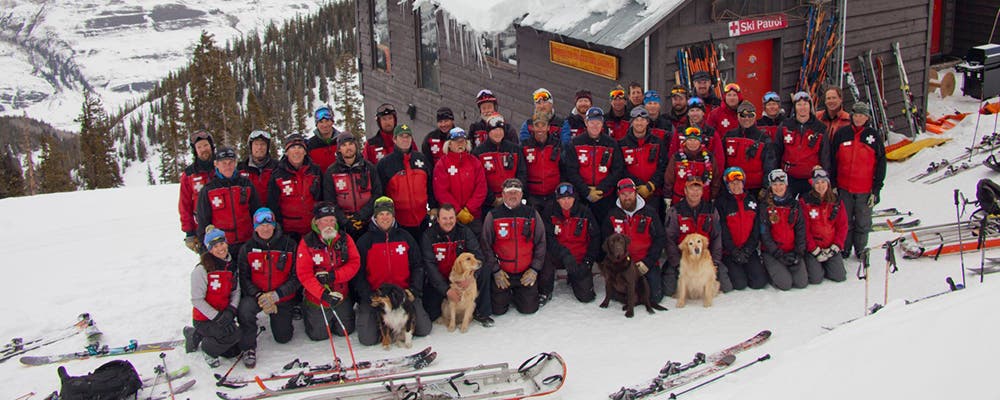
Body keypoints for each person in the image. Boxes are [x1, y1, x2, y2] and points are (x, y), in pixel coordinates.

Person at [353, 197, 433, 346]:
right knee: (367, 339)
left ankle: (398, 325)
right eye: (381, 214)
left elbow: (417, 265)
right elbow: (358, 273)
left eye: (388, 214)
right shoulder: (365, 241)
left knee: (424, 329)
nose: (385, 217)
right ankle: (379, 323)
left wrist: (414, 290)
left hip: (403, 294)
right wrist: (367, 295)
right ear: (375, 216)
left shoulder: (405, 237)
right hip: (377, 295)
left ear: (393, 216)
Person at [235, 208, 300, 368]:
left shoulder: (289, 245)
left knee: (283, 337)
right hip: (257, 296)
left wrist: (276, 295)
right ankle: (248, 347)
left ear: (274, 225)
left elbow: (296, 277)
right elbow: (244, 278)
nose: (265, 228)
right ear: (255, 227)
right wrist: (260, 296)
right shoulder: (247, 248)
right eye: (261, 225)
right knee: (244, 310)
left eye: (268, 224)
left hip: (280, 296)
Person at [420, 204, 494, 327]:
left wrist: (471, 277)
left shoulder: (464, 232)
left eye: (451, 218)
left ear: (455, 218)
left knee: (485, 270)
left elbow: (478, 255)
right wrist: (446, 290)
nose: (448, 222)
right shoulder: (428, 236)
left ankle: (482, 312)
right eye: (444, 218)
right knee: (432, 314)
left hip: (462, 277)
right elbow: (430, 266)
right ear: (438, 219)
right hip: (440, 279)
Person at [296, 202, 360, 341]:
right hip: (318, 298)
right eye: (325, 221)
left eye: (332, 220)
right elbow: (304, 274)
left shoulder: (344, 239)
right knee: (319, 336)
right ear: (317, 222)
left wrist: (333, 276)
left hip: (341, 294)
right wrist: (323, 294)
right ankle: (308, 310)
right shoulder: (307, 242)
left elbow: (354, 263)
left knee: (346, 331)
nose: (329, 224)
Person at [829, 102, 886, 259]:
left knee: (863, 221)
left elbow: (881, 163)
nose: (859, 118)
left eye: (862, 115)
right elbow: (833, 161)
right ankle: (844, 248)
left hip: (865, 189)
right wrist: (833, 184)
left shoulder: (873, 136)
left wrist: (876, 190)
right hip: (844, 187)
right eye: (856, 115)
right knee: (845, 220)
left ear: (867, 117)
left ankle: (860, 248)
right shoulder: (842, 134)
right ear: (851, 116)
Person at [482, 179, 548, 315]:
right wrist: (496, 271)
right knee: (498, 310)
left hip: (525, 272)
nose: (513, 195)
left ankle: (520, 293)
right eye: (509, 192)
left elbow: (541, 242)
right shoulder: (493, 216)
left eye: (516, 193)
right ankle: (506, 293)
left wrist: (534, 269)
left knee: (529, 309)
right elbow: (485, 245)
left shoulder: (532, 214)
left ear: (522, 194)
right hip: (503, 273)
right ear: (503, 195)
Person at [663, 176, 733, 297]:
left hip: (705, 259)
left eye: (698, 189)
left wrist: (715, 262)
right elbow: (669, 239)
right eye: (691, 189)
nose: (695, 192)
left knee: (727, 287)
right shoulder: (675, 211)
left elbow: (716, 237)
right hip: (683, 258)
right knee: (669, 290)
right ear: (685, 191)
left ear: (702, 191)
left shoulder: (711, 210)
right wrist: (677, 264)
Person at [183, 226, 240, 367]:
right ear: (209, 249)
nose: (220, 248)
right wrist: (216, 316)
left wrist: (231, 310)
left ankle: (196, 335)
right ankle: (207, 349)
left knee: (234, 350)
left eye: (222, 243)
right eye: (215, 246)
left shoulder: (231, 266)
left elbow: (236, 291)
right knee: (231, 335)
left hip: (223, 315)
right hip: (205, 319)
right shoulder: (201, 270)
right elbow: (197, 300)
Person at [605, 178, 667, 303]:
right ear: (619, 195)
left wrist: (647, 262)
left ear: (635, 193)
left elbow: (660, 239)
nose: (627, 198)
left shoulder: (650, 213)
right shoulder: (612, 215)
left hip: (644, 263)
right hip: (622, 264)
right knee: (622, 297)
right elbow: (607, 241)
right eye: (623, 194)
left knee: (655, 298)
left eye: (630, 194)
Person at [196, 146, 261, 257]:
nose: (228, 166)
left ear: (235, 163)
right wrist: (205, 248)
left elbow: (256, 212)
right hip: (222, 246)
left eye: (230, 162)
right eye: (223, 163)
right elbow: (203, 222)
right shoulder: (208, 190)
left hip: (247, 242)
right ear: (216, 164)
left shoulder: (246, 184)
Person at [562, 107, 624, 223]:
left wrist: (601, 189)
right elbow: (571, 170)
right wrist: (586, 191)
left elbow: (617, 170)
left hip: (605, 196)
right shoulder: (575, 143)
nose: (595, 126)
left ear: (602, 124)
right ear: (586, 123)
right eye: (592, 122)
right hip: (582, 196)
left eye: (598, 122)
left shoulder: (611, 144)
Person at [540, 183, 598, 303]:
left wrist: (588, 262)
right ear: (557, 200)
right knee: (544, 258)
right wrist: (563, 254)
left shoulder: (585, 212)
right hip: (558, 255)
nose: (566, 202)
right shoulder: (549, 212)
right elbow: (547, 237)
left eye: (569, 198)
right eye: (562, 199)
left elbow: (595, 238)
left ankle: (574, 276)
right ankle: (545, 290)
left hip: (578, 257)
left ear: (574, 198)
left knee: (586, 296)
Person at [376, 124, 436, 240]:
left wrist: (433, 206)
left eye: (408, 137)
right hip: (399, 222)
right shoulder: (385, 164)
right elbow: (380, 192)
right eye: (401, 137)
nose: (405, 140)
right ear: (394, 139)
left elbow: (430, 186)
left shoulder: (421, 159)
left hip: (422, 219)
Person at [323, 132, 382, 240]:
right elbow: (329, 201)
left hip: (368, 222)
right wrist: (344, 221)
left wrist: (362, 216)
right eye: (344, 145)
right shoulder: (332, 172)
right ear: (339, 149)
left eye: (350, 144)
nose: (348, 148)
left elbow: (377, 194)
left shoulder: (369, 168)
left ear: (356, 145)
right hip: (343, 225)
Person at [715, 167, 767, 290]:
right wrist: (733, 250)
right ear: (727, 185)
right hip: (730, 251)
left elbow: (756, 228)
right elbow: (722, 229)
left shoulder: (752, 200)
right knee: (740, 284)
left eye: (738, 182)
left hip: (748, 250)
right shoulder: (722, 202)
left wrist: (748, 249)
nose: (736, 186)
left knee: (758, 283)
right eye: (732, 183)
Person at [268, 134, 325, 243]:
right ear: (286, 152)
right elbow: (273, 205)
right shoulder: (277, 175)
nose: (297, 151)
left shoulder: (315, 171)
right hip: (289, 233)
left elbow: (323, 197)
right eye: (293, 148)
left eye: (300, 148)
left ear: (305, 152)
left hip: (314, 229)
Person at [758, 169, 808, 290]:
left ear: (786, 185)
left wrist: (798, 252)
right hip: (773, 252)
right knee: (785, 284)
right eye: (774, 185)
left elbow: (800, 229)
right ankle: (770, 269)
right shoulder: (765, 207)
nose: (778, 187)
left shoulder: (794, 205)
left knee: (801, 283)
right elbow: (765, 234)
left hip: (792, 250)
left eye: (781, 184)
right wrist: (777, 253)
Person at [433, 127, 487, 234]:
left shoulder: (474, 162)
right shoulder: (442, 164)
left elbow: (481, 188)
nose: (460, 144)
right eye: (456, 141)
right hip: (451, 217)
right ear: (449, 144)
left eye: (462, 141)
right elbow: (441, 192)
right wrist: (457, 211)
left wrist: (469, 209)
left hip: (472, 216)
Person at [777, 91, 830, 199]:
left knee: (808, 211)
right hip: (789, 177)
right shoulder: (785, 126)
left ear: (810, 106)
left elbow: (825, 155)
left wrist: (825, 176)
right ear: (795, 107)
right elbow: (777, 150)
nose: (802, 107)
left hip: (810, 178)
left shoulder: (820, 128)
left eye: (805, 104)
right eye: (799, 104)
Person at [799, 168, 848, 283]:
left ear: (828, 183)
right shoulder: (805, 202)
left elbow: (843, 226)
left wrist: (836, 246)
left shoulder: (836, 201)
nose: (820, 186)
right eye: (817, 183)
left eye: (823, 182)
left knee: (839, 277)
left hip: (830, 246)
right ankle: (815, 265)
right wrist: (814, 249)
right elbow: (804, 229)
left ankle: (829, 264)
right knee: (816, 279)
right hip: (813, 247)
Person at [472, 113, 527, 214]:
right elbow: (479, 180)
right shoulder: (478, 152)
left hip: (513, 200)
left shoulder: (515, 149)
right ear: (488, 132)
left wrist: (514, 193)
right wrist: (493, 199)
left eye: (500, 129)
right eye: (494, 130)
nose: (498, 133)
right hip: (490, 204)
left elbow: (522, 173)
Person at [723, 101, 777, 196]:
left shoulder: (764, 138)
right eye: (743, 115)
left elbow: (770, 165)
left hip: (756, 189)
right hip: (733, 186)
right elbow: (722, 160)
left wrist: (765, 187)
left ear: (755, 116)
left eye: (750, 115)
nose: (747, 119)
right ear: (738, 116)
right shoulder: (729, 136)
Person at [619, 107, 666, 213]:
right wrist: (637, 185)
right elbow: (620, 168)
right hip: (630, 194)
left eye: (642, 120)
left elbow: (663, 166)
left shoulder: (657, 142)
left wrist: (650, 185)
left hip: (654, 193)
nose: (639, 123)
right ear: (631, 122)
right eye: (636, 120)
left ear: (647, 122)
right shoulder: (622, 144)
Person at [663, 127, 720, 205]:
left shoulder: (709, 158)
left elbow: (715, 179)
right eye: (690, 140)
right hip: (679, 200)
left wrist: (714, 197)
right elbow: (669, 179)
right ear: (685, 142)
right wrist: (667, 198)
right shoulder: (677, 157)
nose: (693, 143)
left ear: (700, 142)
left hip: (703, 201)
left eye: (696, 140)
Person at [180, 130, 215, 253]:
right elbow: (184, 204)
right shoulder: (189, 174)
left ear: (211, 146)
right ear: (195, 150)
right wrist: (189, 232)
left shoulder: (223, 167)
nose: (203, 149)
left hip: (224, 225)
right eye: (199, 147)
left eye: (206, 145)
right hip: (202, 230)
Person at [667, 97, 725, 169]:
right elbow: (672, 154)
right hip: (683, 173)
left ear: (703, 113)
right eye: (692, 110)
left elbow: (719, 159)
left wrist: (715, 177)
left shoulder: (711, 133)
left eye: (698, 110)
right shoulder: (680, 131)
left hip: (706, 174)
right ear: (688, 113)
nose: (695, 114)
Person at [522, 112, 563, 211]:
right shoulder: (524, 146)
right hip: (533, 197)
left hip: (553, 195)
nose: (540, 129)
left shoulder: (558, 145)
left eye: (543, 125)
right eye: (537, 125)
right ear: (532, 127)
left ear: (548, 127)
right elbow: (522, 171)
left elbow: (564, 169)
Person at [238, 130, 277, 207]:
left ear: (267, 147)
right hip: (248, 215)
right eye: (256, 144)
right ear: (251, 146)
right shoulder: (240, 169)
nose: (259, 147)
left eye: (263, 144)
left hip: (272, 214)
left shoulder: (277, 167)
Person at [306, 105, 343, 173]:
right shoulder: (310, 145)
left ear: (332, 122)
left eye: (327, 121)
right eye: (321, 122)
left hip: (340, 181)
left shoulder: (342, 140)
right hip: (319, 182)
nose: (325, 125)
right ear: (316, 124)